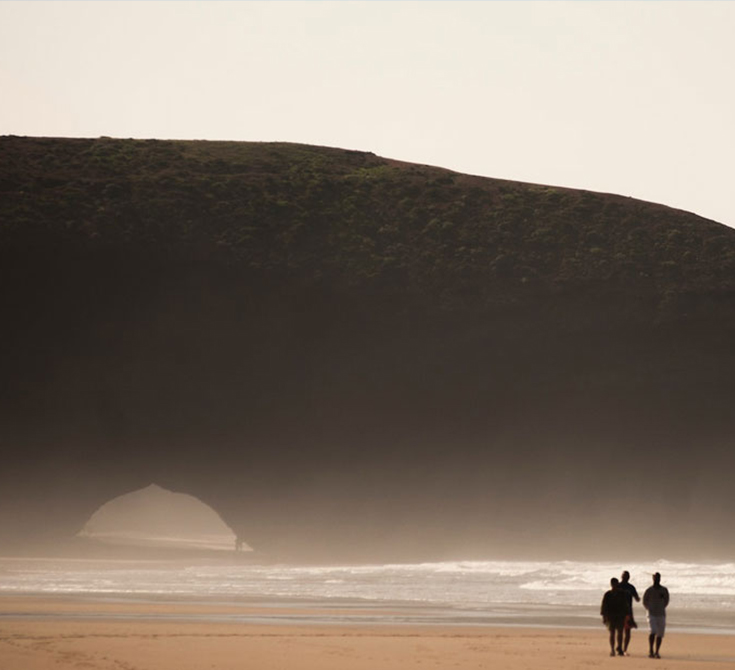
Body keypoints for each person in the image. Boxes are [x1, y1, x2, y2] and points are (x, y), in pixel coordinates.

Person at [643, 572, 670, 659]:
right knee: (652, 631)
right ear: (653, 579)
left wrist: (661, 607)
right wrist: (649, 608)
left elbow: (666, 600)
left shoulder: (664, 590)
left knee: (660, 634)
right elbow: (644, 601)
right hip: (651, 614)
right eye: (655, 578)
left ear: (660, 579)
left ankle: (657, 651)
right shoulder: (649, 590)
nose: (656, 579)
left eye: (658, 578)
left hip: (661, 613)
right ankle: (651, 650)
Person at [601, 577, 629, 656]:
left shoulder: (622, 594)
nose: (615, 585)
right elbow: (604, 606)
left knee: (620, 633)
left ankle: (619, 648)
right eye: (613, 584)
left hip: (620, 616)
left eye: (616, 584)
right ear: (611, 584)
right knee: (612, 633)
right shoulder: (608, 594)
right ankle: (612, 649)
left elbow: (625, 605)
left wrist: (626, 615)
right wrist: (604, 616)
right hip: (611, 616)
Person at [619, 570, 640, 654]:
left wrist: (638, 598)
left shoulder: (631, 587)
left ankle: (624, 649)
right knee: (620, 631)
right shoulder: (618, 586)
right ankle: (620, 648)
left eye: (627, 576)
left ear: (629, 577)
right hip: (619, 611)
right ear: (622, 577)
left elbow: (637, 598)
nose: (625, 577)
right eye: (624, 576)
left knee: (627, 631)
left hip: (628, 612)